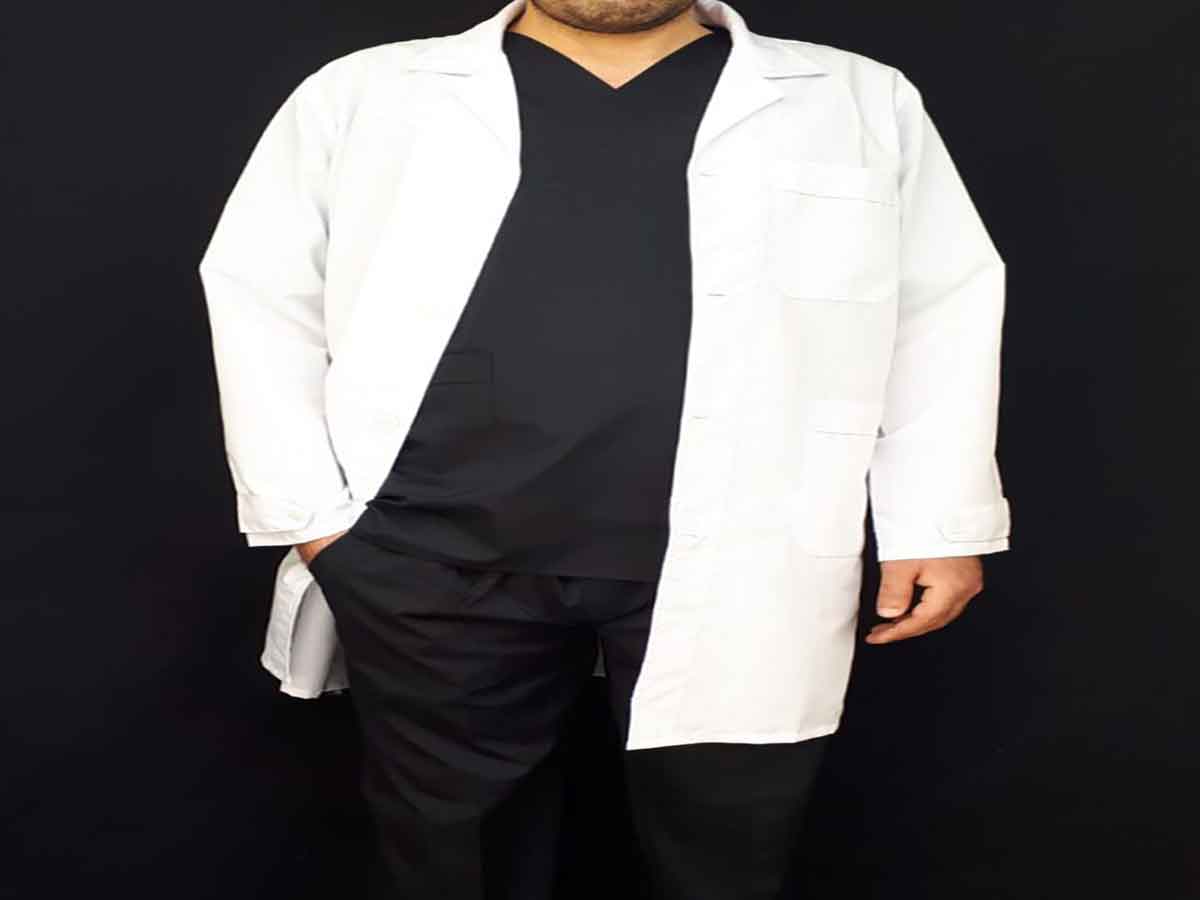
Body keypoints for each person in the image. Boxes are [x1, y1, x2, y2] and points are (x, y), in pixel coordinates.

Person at [197, 0, 1012, 896]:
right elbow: (261, 295)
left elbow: (941, 310)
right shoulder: (363, 93)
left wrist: (937, 521)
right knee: (454, 855)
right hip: (430, 552)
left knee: (726, 856)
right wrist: (319, 526)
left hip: (745, 547)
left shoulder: (857, 98)